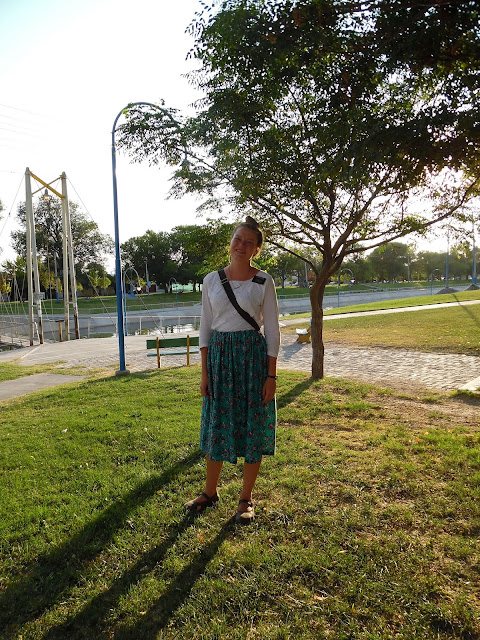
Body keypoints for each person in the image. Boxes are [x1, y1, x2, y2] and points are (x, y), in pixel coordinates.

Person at [184, 216, 280, 524]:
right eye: (238, 239)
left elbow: (273, 330)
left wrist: (271, 375)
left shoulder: (264, 281)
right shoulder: (211, 280)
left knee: (252, 424)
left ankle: (246, 498)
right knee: (217, 425)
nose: (242, 245)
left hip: (252, 360)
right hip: (220, 360)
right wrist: (204, 373)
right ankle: (210, 492)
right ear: (231, 242)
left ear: (256, 249)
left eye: (249, 242)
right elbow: (205, 328)